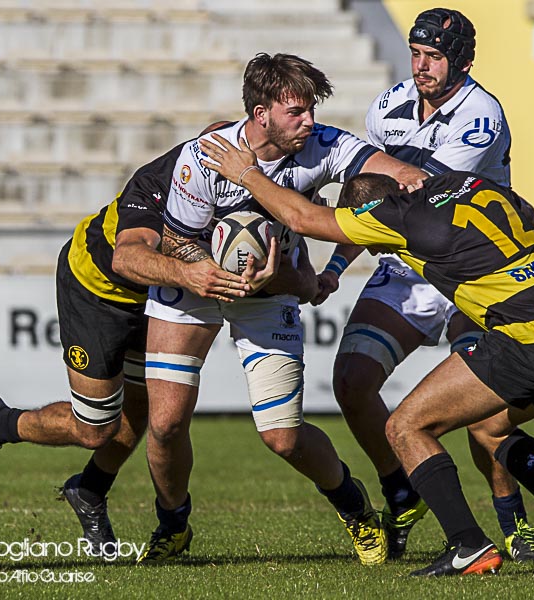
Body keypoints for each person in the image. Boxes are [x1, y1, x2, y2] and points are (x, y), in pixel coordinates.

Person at [197, 132, 534, 576]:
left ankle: (467, 545)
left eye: (373, 242)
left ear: (367, 212)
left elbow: (301, 218)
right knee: (492, 429)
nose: (377, 250)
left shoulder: (391, 216)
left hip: (528, 336)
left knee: (405, 427)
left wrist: (246, 172)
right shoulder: (470, 185)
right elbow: (525, 211)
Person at [138, 52, 427, 566]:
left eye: (312, 108)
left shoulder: (322, 145)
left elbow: (384, 168)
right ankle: (173, 522)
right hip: (195, 283)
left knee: (283, 437)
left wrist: (413, 176)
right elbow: (177, 241)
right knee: (164, 424)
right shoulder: (204, 157)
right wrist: (214, 271)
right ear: (260, 112)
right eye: (297, 111)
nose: (309, 121)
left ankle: (353, 505)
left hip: (272, 289)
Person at [0, 125, 260, 556]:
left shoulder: (243, 192)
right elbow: (126, 257)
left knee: (143, 410)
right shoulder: (159, 183)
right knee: (95, 428)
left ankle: (90, 489)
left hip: (154, 300)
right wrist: (191, 274)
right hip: (97, 292)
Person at [311, 7, 534, 562]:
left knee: (481, 411)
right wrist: (333, 269)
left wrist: (347, 198)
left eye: (435, 57)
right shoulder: (388, 106)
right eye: (416, 54)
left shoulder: (481, 115)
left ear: (462, 61)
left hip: (470, 272)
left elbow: (417, 198)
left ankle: (512, 523)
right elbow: (370, 203)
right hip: (406, 270)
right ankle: (401, 488)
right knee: (351, 380)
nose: (422, 66)